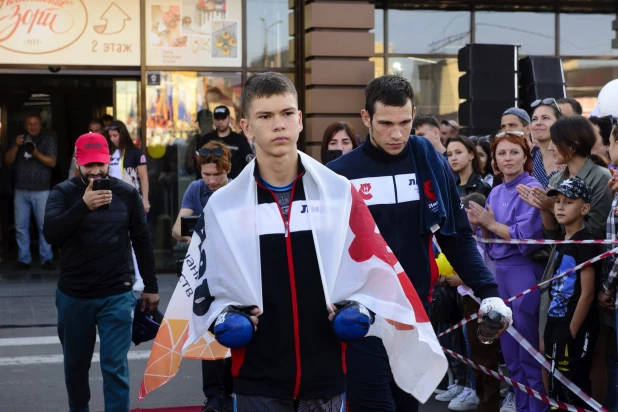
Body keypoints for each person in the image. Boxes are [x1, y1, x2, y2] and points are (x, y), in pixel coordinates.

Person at [188, 72, 456, 412]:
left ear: (300, 120)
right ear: (246, 126)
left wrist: (358, 307)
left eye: (286, 114)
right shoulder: (225, 206)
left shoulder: (339, 193)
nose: (279, 125)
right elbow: (203, 288)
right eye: (265, 116)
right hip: (257, 378)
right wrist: (223, 315)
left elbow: (373, 273)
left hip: (327, 376)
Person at [327, 74, 510, 412]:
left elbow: (455, 236)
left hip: (414, 313)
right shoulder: (339, 174)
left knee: (407, 405)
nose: (397, 134)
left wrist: (490, 292)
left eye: (405, 122)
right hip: (361, 315)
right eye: (385, 123)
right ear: (366, 118)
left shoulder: (428, 158)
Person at [43, 132, 160, 412]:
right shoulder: (63, 193)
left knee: (115, 367)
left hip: (116, 294)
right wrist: (83, 206)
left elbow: (141, 241)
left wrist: (152, 286)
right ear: (77, 162)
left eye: (100, 164)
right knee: (75, 368)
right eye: (88, 165)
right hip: (74, 295)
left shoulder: (127, 193)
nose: (95, 171)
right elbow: (50, 234)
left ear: (109, 161)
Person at [467, 132, 548, 412]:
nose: (508, 158)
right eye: (501, 153)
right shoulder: (497, 190)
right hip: (500, 273)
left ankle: (536, 408)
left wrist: (490, 222)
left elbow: (525, 237)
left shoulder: (532, 186)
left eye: (514, 152)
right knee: (510, 354)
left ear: (526, 157)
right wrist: (482, 224)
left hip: (523, 272)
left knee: (528, 352)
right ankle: (521, 406)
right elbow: (489, 238)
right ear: (494, 160)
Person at [172, 141, 233, 412]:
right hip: (207, 274)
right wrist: (195, 237)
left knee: (235, 331)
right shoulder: (196, 189)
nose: (210, 180)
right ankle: (214, 395)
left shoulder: (239, 188)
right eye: (206, 174)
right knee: (210, 332)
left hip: (236, 272)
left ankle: (232, 391)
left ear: (227, 170)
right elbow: (177, 229)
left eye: (216, 175)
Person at [541, 177, 600, 407]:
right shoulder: (561, 238)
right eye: (557, 201)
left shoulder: (585, 242)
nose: (560, 206)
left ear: (585, 208)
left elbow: (587, 293)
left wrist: (571, 332)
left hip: (574, 326)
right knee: (556, 384)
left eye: (568, 202)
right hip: (555, 322)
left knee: (574, 383)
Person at [4, 113, 57, 270]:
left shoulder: (48, 140)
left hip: (42, 191)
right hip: (20, 190)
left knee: (44, 226)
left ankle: (46, 258)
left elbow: (52, 162)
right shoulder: (18, 139)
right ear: (25, 125)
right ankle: (24, 259)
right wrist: (16, 145)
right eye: (29, 124)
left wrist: (35, 153)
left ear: (41, 125)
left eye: (36, 124)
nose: (33, 127)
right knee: (21, 226)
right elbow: (7, 160)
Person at [107, 120, 150, 293]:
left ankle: (141, 277)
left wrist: (145, 200)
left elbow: (144, 178)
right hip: (112, 201)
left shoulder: (134, 153)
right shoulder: (109, 153)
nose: (112, 139)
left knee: (136, 240)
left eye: (115, 136)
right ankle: (116, 276)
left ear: (122, 134)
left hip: (132, 199)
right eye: (110, 136)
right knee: (114, 239)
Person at [195, 105, 254, 179]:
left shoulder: (239, 140)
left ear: (229, 118)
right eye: (217, 118)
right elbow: (198, 163)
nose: (220, 122)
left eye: (223, 118)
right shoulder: (206, 139)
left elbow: (250, 163)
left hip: (234, 184)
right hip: (210, 184)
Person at [530, 98, 563, 188]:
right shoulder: (529, 159)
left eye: (545, 118)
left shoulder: (569, 156)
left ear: (559, 122)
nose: (538, 123)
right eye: (534, 119)